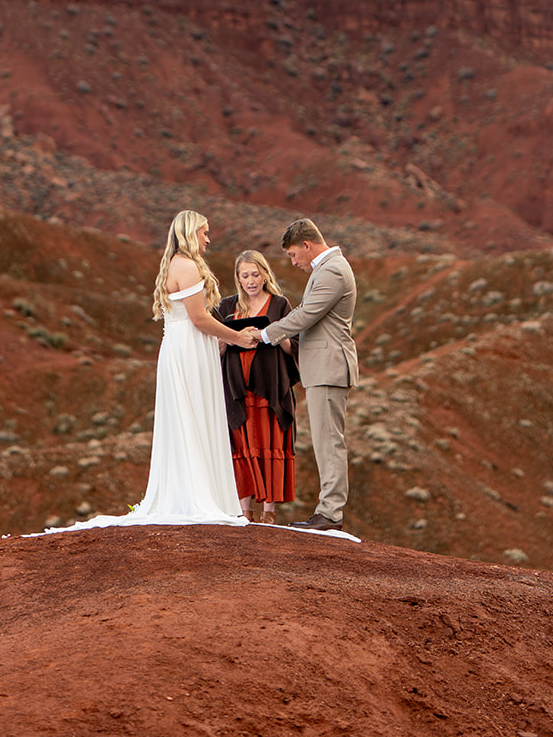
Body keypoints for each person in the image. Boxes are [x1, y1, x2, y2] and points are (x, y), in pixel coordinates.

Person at [37, 209, 258, 534]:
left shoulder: (174, 264)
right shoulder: (188, 265)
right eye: (204, 232)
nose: (208, 239)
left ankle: (193, 491)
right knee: (192, 415)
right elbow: (199, 318)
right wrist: (238, 337)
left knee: (188, 418)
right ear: (190, 232)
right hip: (189, 348)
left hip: (180, 346)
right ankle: (198, 496)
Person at [255, 218, 358, 532]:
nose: (293, 262)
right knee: (325, 441)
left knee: (329, 442)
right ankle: (327, 510)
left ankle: (330, 513)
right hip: (321, 368)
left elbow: (306, 314)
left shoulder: (333, 271)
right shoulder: (327, 270)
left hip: (329, 367)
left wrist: (263, 335)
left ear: (306, 245)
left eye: (292, 255)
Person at [216, 250, 299, 523]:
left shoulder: (279, 304)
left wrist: (273, 334)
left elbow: (293, 348)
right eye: (245, 275)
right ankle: (245, 512)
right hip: (237, 388)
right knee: (243, 445)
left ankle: (269, 514)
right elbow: (212, 348)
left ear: (265, 274)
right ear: (238, 279)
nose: (251, 280)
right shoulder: (227, 308)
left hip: (270, 386)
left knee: (269, 442)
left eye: (255, 274)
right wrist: (232, 337)